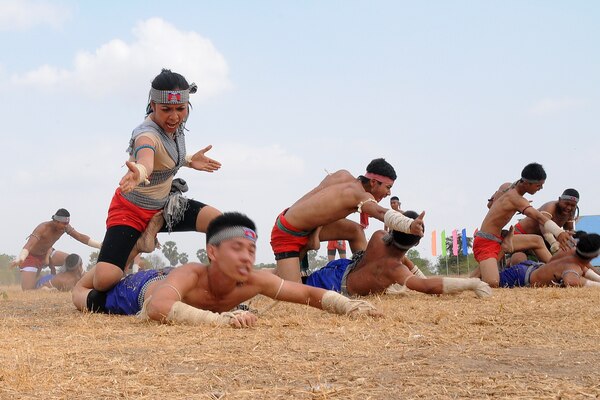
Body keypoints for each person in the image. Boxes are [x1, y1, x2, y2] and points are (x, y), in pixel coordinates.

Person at [72, 212, 382, 327]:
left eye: (251, 249)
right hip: (137, 292)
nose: (247, 257)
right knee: (83, 295)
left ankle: (125, 258)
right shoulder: (193, 271)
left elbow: (306, 293)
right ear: (213, 252)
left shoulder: (253, 280)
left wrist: (350, 306)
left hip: (169, 283)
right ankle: (112, 258)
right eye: (237, 248)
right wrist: (221, 320)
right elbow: (158, 307)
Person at [89, 69, 223, 293]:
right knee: (104, 281)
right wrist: (140, 172)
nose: (174, 117)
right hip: (131, 210)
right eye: (166, 110)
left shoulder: (175, 128)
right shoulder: (146, 134)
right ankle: (138, 244)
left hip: (164, 208)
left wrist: (189, 160)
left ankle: (217, 285)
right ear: (152, 105)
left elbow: (165, 157)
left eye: (180, 109)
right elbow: (147, 160)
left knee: (219, 222)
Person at [270, 158, 425, 283]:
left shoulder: (342, 175)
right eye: (388, 187)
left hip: (304, 225)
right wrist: (409, 225)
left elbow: (319, 206)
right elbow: (380, 212)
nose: (389, 192)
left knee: (355, 231)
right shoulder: (360, 196)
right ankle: (256, 276)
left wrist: (315, 233)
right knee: (292, 291)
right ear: (373, 182)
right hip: (287, 233)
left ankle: (364, 273)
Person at [306, 211, 491, 298]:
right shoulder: (395, 269)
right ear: (417, 243)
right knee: (293, 282)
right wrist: (471, 283)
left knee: (298, 279)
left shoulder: (379, 237)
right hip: (335, 283)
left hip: (339, 269)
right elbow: (425, 286)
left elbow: (399, 254)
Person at [471, 163, 573, 287]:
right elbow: (539, 216)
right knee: (493, 282)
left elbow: (490, 205)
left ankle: (557, 270)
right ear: (526, 183)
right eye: (538, 185)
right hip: (486, 241)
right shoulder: (516, 198)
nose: (540, 189)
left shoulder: (507, 187)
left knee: (537, 240)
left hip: (500, 238)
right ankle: (499, 255)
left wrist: (509, 207)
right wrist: (559, 232)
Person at [11, 209, 101, 290]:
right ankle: (44, 288)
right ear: (56, 221)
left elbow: (80, 237)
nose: (66, 226)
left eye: (67, 223)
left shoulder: (65, 227)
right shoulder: (43, 228)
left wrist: (100, 245)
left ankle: (80, 282)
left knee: (72, 260)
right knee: (28, 290)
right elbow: (29, 245)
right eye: (64, 224)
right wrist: (21, 258)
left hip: (48, 252)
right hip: (31, 257)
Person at [491, 232, 600, 288]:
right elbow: (571, 281)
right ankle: (500, 253)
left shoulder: (569, 251)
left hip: (529, 268)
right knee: (488, 281)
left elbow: (583, 269)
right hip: (521, 276)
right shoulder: (572, 268)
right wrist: (594, 285)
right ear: (595, 255)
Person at [513, 189, 580, 254]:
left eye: (573, 205)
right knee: (519, 258)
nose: (569, 208)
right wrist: (553, 242)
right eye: (566, 203)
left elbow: (569, 230)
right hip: (521, 233)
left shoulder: (571, 212)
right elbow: (543, 224)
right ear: (559, 200)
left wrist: (572, 243)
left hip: (541, 241)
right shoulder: (550, 206)